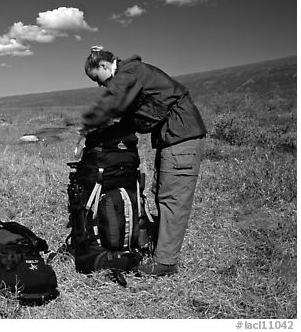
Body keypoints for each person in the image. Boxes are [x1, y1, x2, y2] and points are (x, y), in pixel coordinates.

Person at [81, 46, 207, 276]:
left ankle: (165, 263)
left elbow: (113, 99)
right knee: (164, 194)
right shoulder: (136, 77)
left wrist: (86, 124)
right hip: (174, 138)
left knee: (172, 199)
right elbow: (133, 121)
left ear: (104, 66)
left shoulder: (130, 72)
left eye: (98, 79)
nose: (101, 85)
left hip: (182, 139)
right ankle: (161, 250)